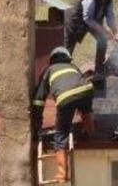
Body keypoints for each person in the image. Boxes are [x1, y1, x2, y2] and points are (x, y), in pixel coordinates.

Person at [31, 47, 96, 181]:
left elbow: (38, 100)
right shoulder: (73, 66)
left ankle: (62, 174)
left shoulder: (48, 70)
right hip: (87, 89)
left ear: (52, 59)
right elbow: (80, 81)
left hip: (66, 97)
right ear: (67, 58)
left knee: (60, 137)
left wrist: (37, 123)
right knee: (85, 111)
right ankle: (91, 133)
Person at [64, 0, 118, 86]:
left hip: (92, 22)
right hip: (75, 21)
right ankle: (64, 76)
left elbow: (110, 17)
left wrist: (116, 33)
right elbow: (87, 18)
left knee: (102, 40)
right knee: (68, 48)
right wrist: (104, 30)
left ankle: (99, 70)